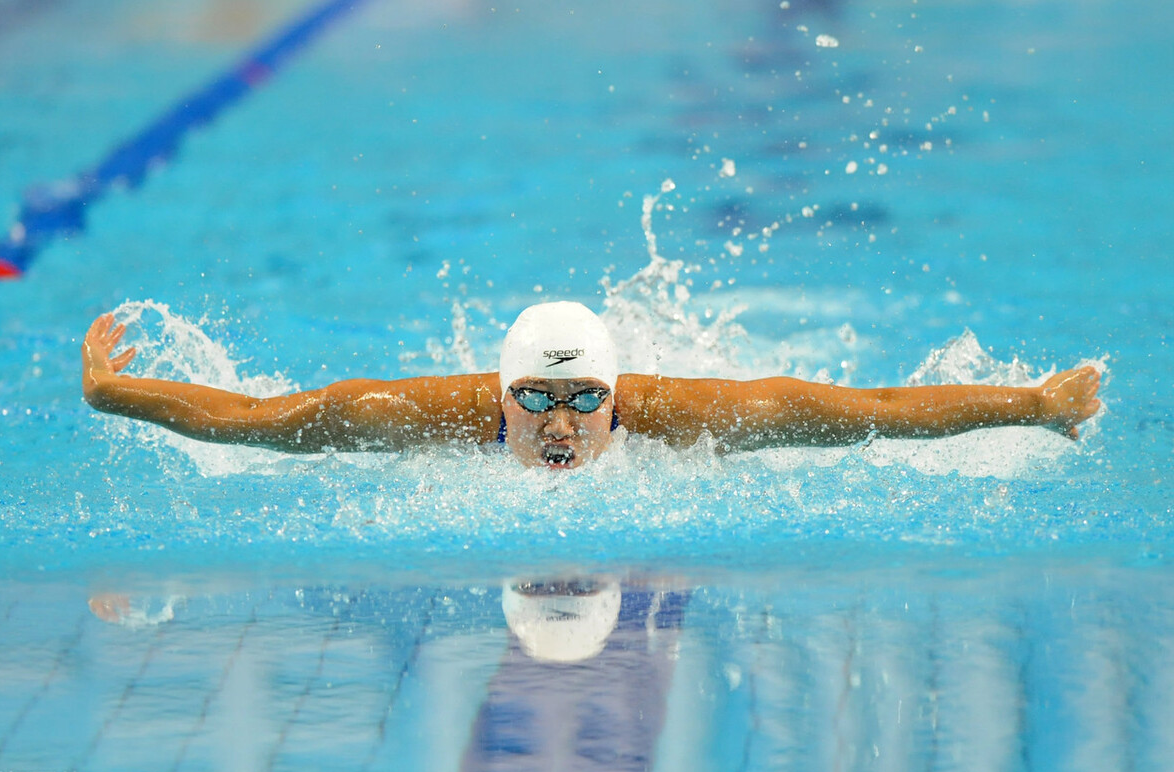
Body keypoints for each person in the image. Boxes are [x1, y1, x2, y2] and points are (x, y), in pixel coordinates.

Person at [82, 301, 1102, 469]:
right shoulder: (408, 415)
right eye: (532, 400)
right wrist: (109, 392)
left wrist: (1036, 404)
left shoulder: (697, 418)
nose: (559, 426)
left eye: (582, 401)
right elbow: (262, 421)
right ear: (498, 396)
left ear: (619, 399)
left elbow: (872, 414)